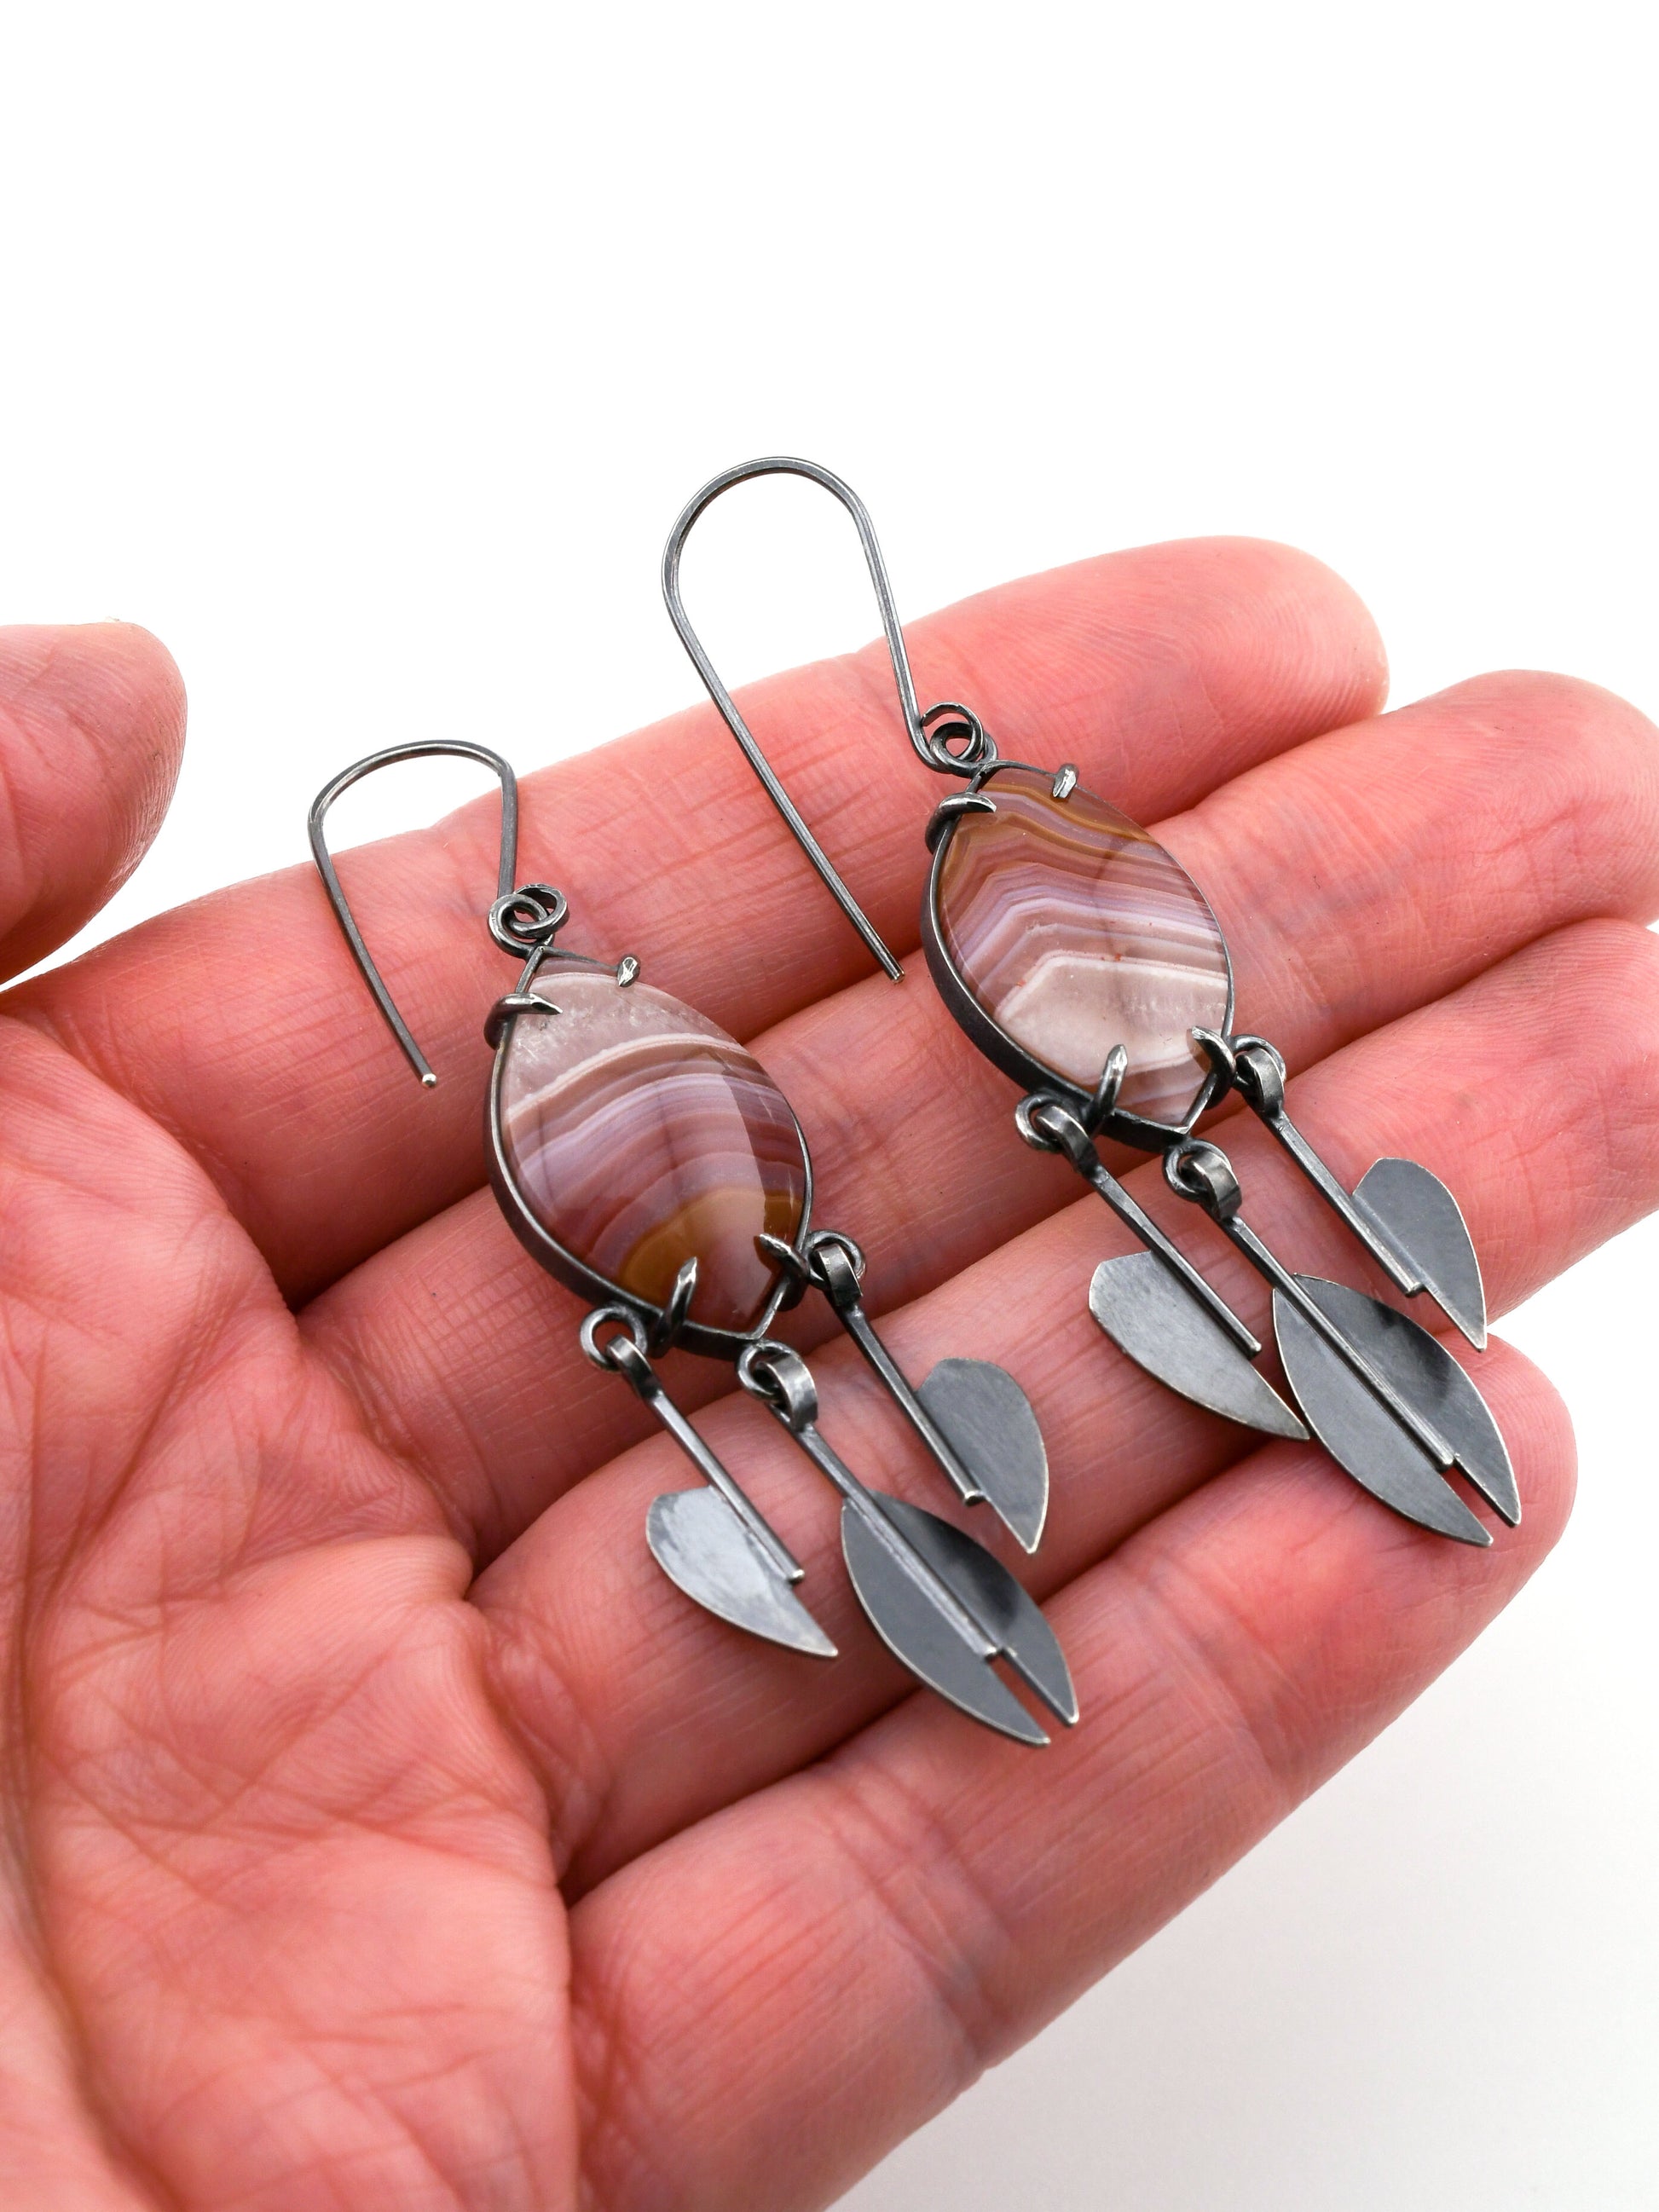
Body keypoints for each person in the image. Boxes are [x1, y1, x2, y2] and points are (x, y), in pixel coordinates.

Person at [0, 540, 1653, 2210]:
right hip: (769, 1267)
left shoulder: (977, 918)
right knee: (912, 1335)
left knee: (1059, 1262)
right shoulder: (581, 1071)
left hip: (942, 1184)